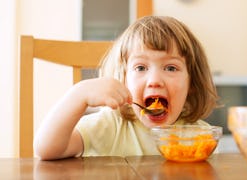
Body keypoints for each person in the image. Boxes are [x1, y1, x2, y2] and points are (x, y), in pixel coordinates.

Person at [34, 15, 218, 160]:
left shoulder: (198, 137)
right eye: (140, 68)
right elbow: (47, 149)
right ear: (123, 80)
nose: (154, 81)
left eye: (170, 68)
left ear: (192, 82)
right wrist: (78, 94)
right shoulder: (109, 126)